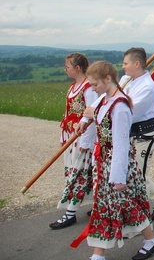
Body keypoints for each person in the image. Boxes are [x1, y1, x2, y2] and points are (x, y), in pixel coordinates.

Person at [73, 61, 154, 260]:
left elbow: (121, 144)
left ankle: (150, 240)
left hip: (118, 166)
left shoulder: (120, 106)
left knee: (126, 204)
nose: (92, 89)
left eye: (95, 85)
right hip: (104, 162)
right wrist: (84, 120)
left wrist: (118, 176)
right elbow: (93, 110)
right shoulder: (105, 98)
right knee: (105, 206)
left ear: (108, 79)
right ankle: (99, 253)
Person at [121, 47, 154, 220]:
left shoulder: (147, 87)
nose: (123, 66)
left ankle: (140, 215)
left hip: (144, 135)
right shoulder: (126, 80)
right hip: (130, 135)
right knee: (131, 174)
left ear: (136, 64)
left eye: (125, 63)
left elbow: (129, 112)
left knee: (138, 176)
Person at [50, 53, 98, 230]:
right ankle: (97, 206)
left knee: (78, 175)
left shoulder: (88, 88)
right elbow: (67, 113)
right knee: (80, 174)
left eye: (67, 66)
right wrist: (63, 136)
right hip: (71, 137)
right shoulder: (72, 88)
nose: (65, 69)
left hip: (82, 139)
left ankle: (70, 213)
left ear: (77, 68)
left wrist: (86, 142)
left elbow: (92, 116)